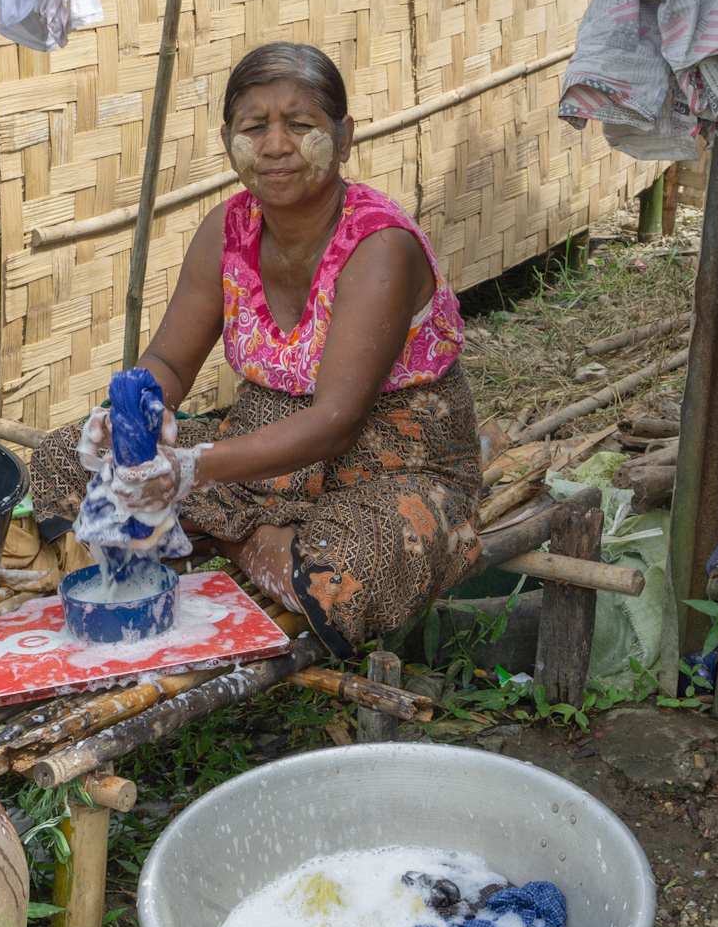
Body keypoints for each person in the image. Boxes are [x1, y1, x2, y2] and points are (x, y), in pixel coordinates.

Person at [30, 42, 482, 655]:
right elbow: (168, 363)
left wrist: (190, 470)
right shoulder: (227, 229)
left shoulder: (379, 248)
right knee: (64, 458)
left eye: (301, 125)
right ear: (228, 140)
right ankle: (256, 539)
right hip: (259, 458)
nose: (275, 146)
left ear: (344, 137)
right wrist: (130, 419)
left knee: (343, 568)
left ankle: (233, 537)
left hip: (389, 466)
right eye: (255, 126)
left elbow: (335, 422)